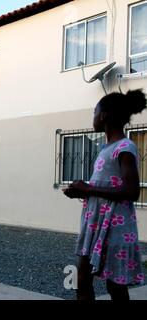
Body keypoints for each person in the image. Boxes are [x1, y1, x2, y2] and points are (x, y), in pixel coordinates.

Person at [63, 89, 146, 301]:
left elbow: (131, 191)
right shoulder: (105, 149)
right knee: (81, 279)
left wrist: (88, 189)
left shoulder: (125, 147)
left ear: (104, 115)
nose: (93, 117)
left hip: (116, 228)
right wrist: (82, 190)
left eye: (94, 112)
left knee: (115, 287)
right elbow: (106, 183)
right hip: (94, 225)